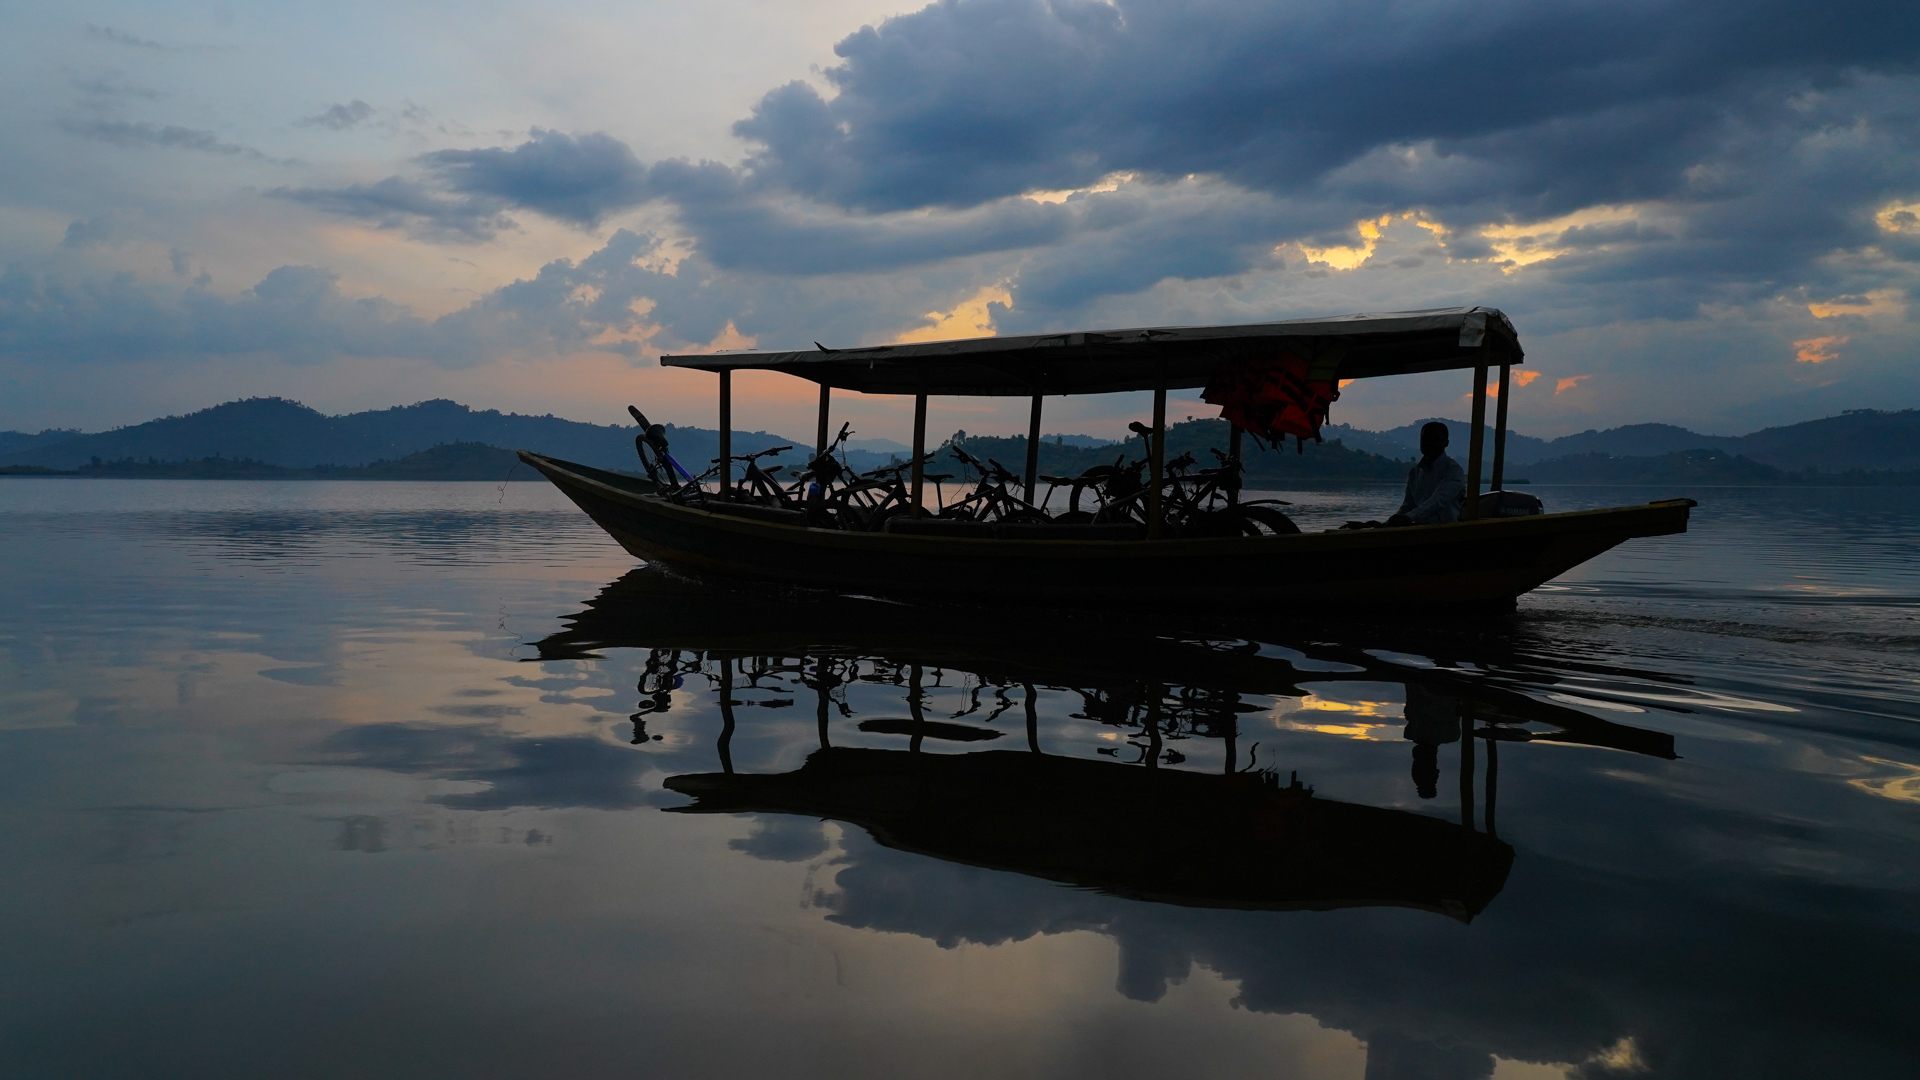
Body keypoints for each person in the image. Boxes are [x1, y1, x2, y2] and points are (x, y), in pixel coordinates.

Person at [1388, 421, 1465, 526]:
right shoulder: (1414, 473)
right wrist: (1387, 523)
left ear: (1446, 443)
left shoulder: (1453, 470)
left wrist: (1408, 517)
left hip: (1446, 533)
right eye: (1425, 439)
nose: (1429, 443)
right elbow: (1407, 506)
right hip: (1419, 531)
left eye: (1435, 439)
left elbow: (1438, 501)